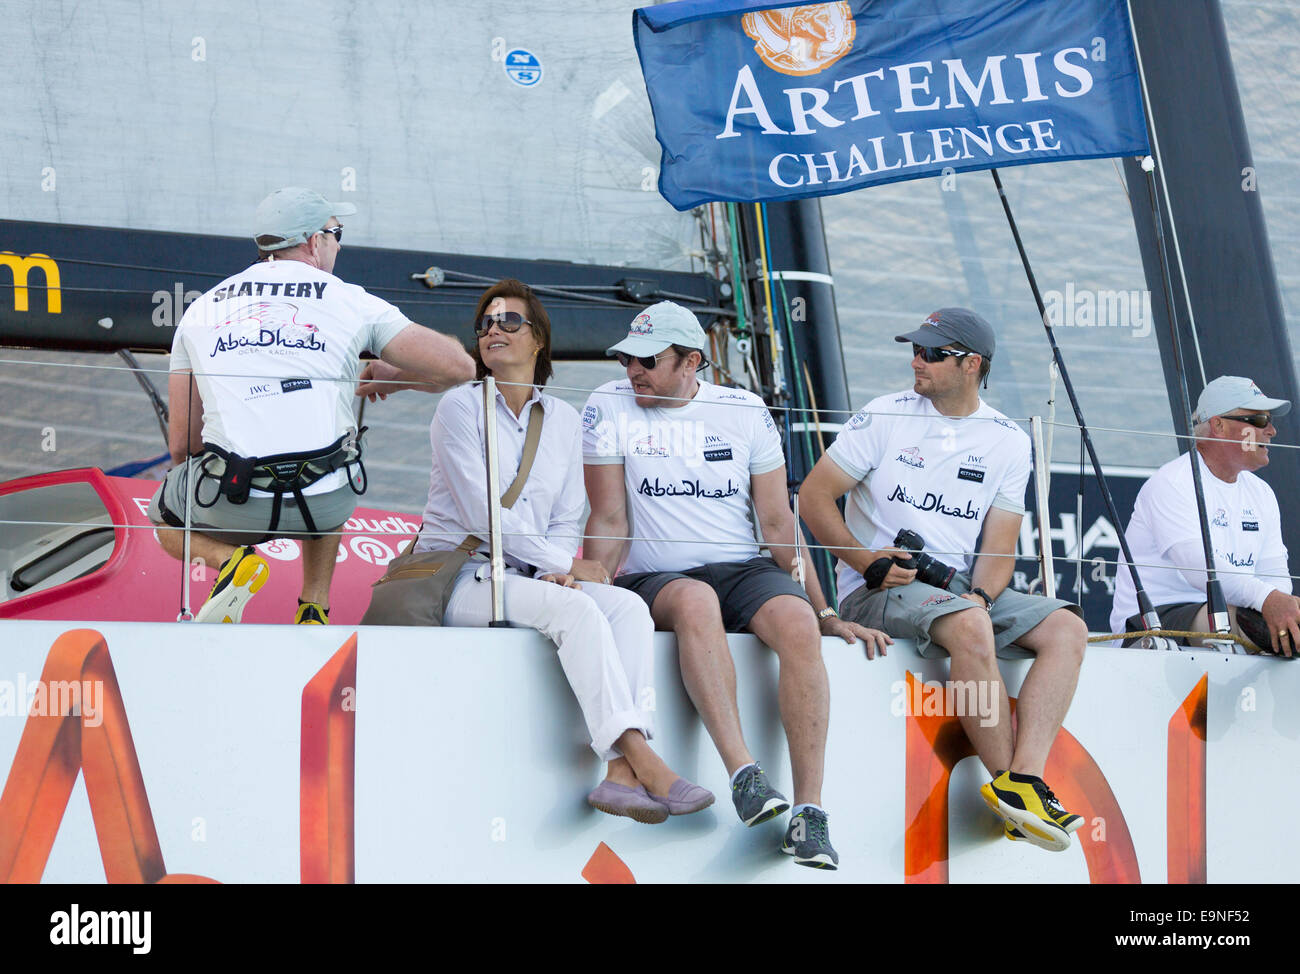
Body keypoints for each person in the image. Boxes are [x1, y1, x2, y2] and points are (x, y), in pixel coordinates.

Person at [360, 280, 714, 823]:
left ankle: (619, 777)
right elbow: (482, 516)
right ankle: (643, 759)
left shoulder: (566, 421)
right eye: (484, 323)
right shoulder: (459, 407)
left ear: (539, 340)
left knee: (626, 606)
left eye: (508, 321)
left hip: (522, 575)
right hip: (456, 572)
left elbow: (565, 518)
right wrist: (563, 565)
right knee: (577, 607)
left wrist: (556, 567)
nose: (493, 330)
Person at [582, 301, 890, 869]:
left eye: (648, 361)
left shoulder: (745, 410)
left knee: (798, 625)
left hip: (742, 567)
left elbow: (777, 523)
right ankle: (743, 773)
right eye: (627, 359)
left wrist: (824, 612)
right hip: (656, 574)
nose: (633, 371)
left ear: (691, 362)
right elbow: (607, 519)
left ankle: (810, 813)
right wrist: (592, 587)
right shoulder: (608, 403)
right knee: (696, 600)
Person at [799, 308, 1089, 853]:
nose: (916, 361)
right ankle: (1017, 794)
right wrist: (866, 563)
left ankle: (1023, 777)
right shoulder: (884, 415)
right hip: (873, 589)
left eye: (931, 353)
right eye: (915, 350)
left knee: (1067, 629)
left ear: (971, 364)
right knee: (972, 624)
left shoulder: (1006, 439)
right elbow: (812, 498)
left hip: (952, 594)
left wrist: (980, 595)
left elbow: (998, 551)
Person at [149, 187, 474, 624]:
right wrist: (396, 379)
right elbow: (458, 367)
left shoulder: (200, 310)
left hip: (233, 499)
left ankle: (232, 561)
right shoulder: (351, 300)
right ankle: (313, 605)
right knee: (335, 458)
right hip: (320, 503)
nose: (338, 244)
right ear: (312, 241)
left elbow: (182, 444)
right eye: (336, 233)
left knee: (164, 517)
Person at [1110, 375, 1297, 656]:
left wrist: (1279, 604)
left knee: (1284, 620)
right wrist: (1268, 600)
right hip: (1158, 618)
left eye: (1270, 421)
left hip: (1230, 611)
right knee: (1264, 621)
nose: (1271, 430)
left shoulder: (1262, 492)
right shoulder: (1173, 481)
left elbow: (1275, 576)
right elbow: (1198, 570)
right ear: (1219, 426)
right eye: (1259, 420)